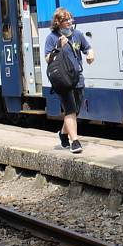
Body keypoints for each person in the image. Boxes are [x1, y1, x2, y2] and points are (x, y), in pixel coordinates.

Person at [45, 8, 94, 154]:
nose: (69, 22)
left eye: (70, 19)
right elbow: (48, 58)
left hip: (77, 76)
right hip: (62, 79)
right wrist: (59, 47)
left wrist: (91, 55)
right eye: (65, 20)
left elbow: (88, 48)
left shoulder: (77, 34)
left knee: (76, 110)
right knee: (70, 110)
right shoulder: (52, 37)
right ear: (58, 23)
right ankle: (75, 141)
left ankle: (63, 133)